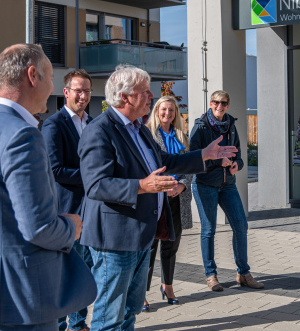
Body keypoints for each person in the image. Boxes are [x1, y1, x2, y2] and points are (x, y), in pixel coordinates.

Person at [78, 65, 237, 331]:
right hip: (114, 239)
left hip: (141, 235)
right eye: (144, 91)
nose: (151, 95)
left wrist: (203, 156)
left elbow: (164, 161)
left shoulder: (139, 129)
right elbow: (96, 185)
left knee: (130, 311)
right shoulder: (100, 130)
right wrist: (142, 185)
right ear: (125, 96)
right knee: (109, 316)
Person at [0, 44, 97, 331]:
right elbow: (38, 227)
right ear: (32, 75)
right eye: (51, 77)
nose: (53, 86)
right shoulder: (21, 135)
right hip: (24, 297)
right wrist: (70, 227)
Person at [190, 90, 264, 291]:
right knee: (208, 230)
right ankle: (211, 275)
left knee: (241, 225)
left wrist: (236, 166)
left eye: (223, 103)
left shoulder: (231, 125)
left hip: (228, 184)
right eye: (215, 102)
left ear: (228, 105)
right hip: (205, 184)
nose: (219, 106)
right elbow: (193, 158)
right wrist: (217, 161)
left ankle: (243, 273)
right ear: (210, 103)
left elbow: (239, 154)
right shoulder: (200, 126)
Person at [42, 69, 94, 331]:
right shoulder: (54, 124)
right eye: (78, 90)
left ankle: (78, 322)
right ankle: (59, 324)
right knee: (64, 272)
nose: (83, 95)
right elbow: (55, 170)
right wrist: (92, 177)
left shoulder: (93, 123)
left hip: (92, 209)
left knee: (82, 269)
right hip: (66, 209)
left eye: (86, 90)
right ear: (66, 92)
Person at [143, 96, 193, 310]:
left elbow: (189, 166)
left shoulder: (182, 136)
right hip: (156, 198)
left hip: (177, 198)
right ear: (157, 111)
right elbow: (146, 166)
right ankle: (141, 292)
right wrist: (164, 186)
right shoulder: (148, 134)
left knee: (171, 246)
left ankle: (168, 286)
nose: (167, 114)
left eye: (171, 110)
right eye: (164, 109)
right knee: (150, 247)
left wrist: (181, 185)